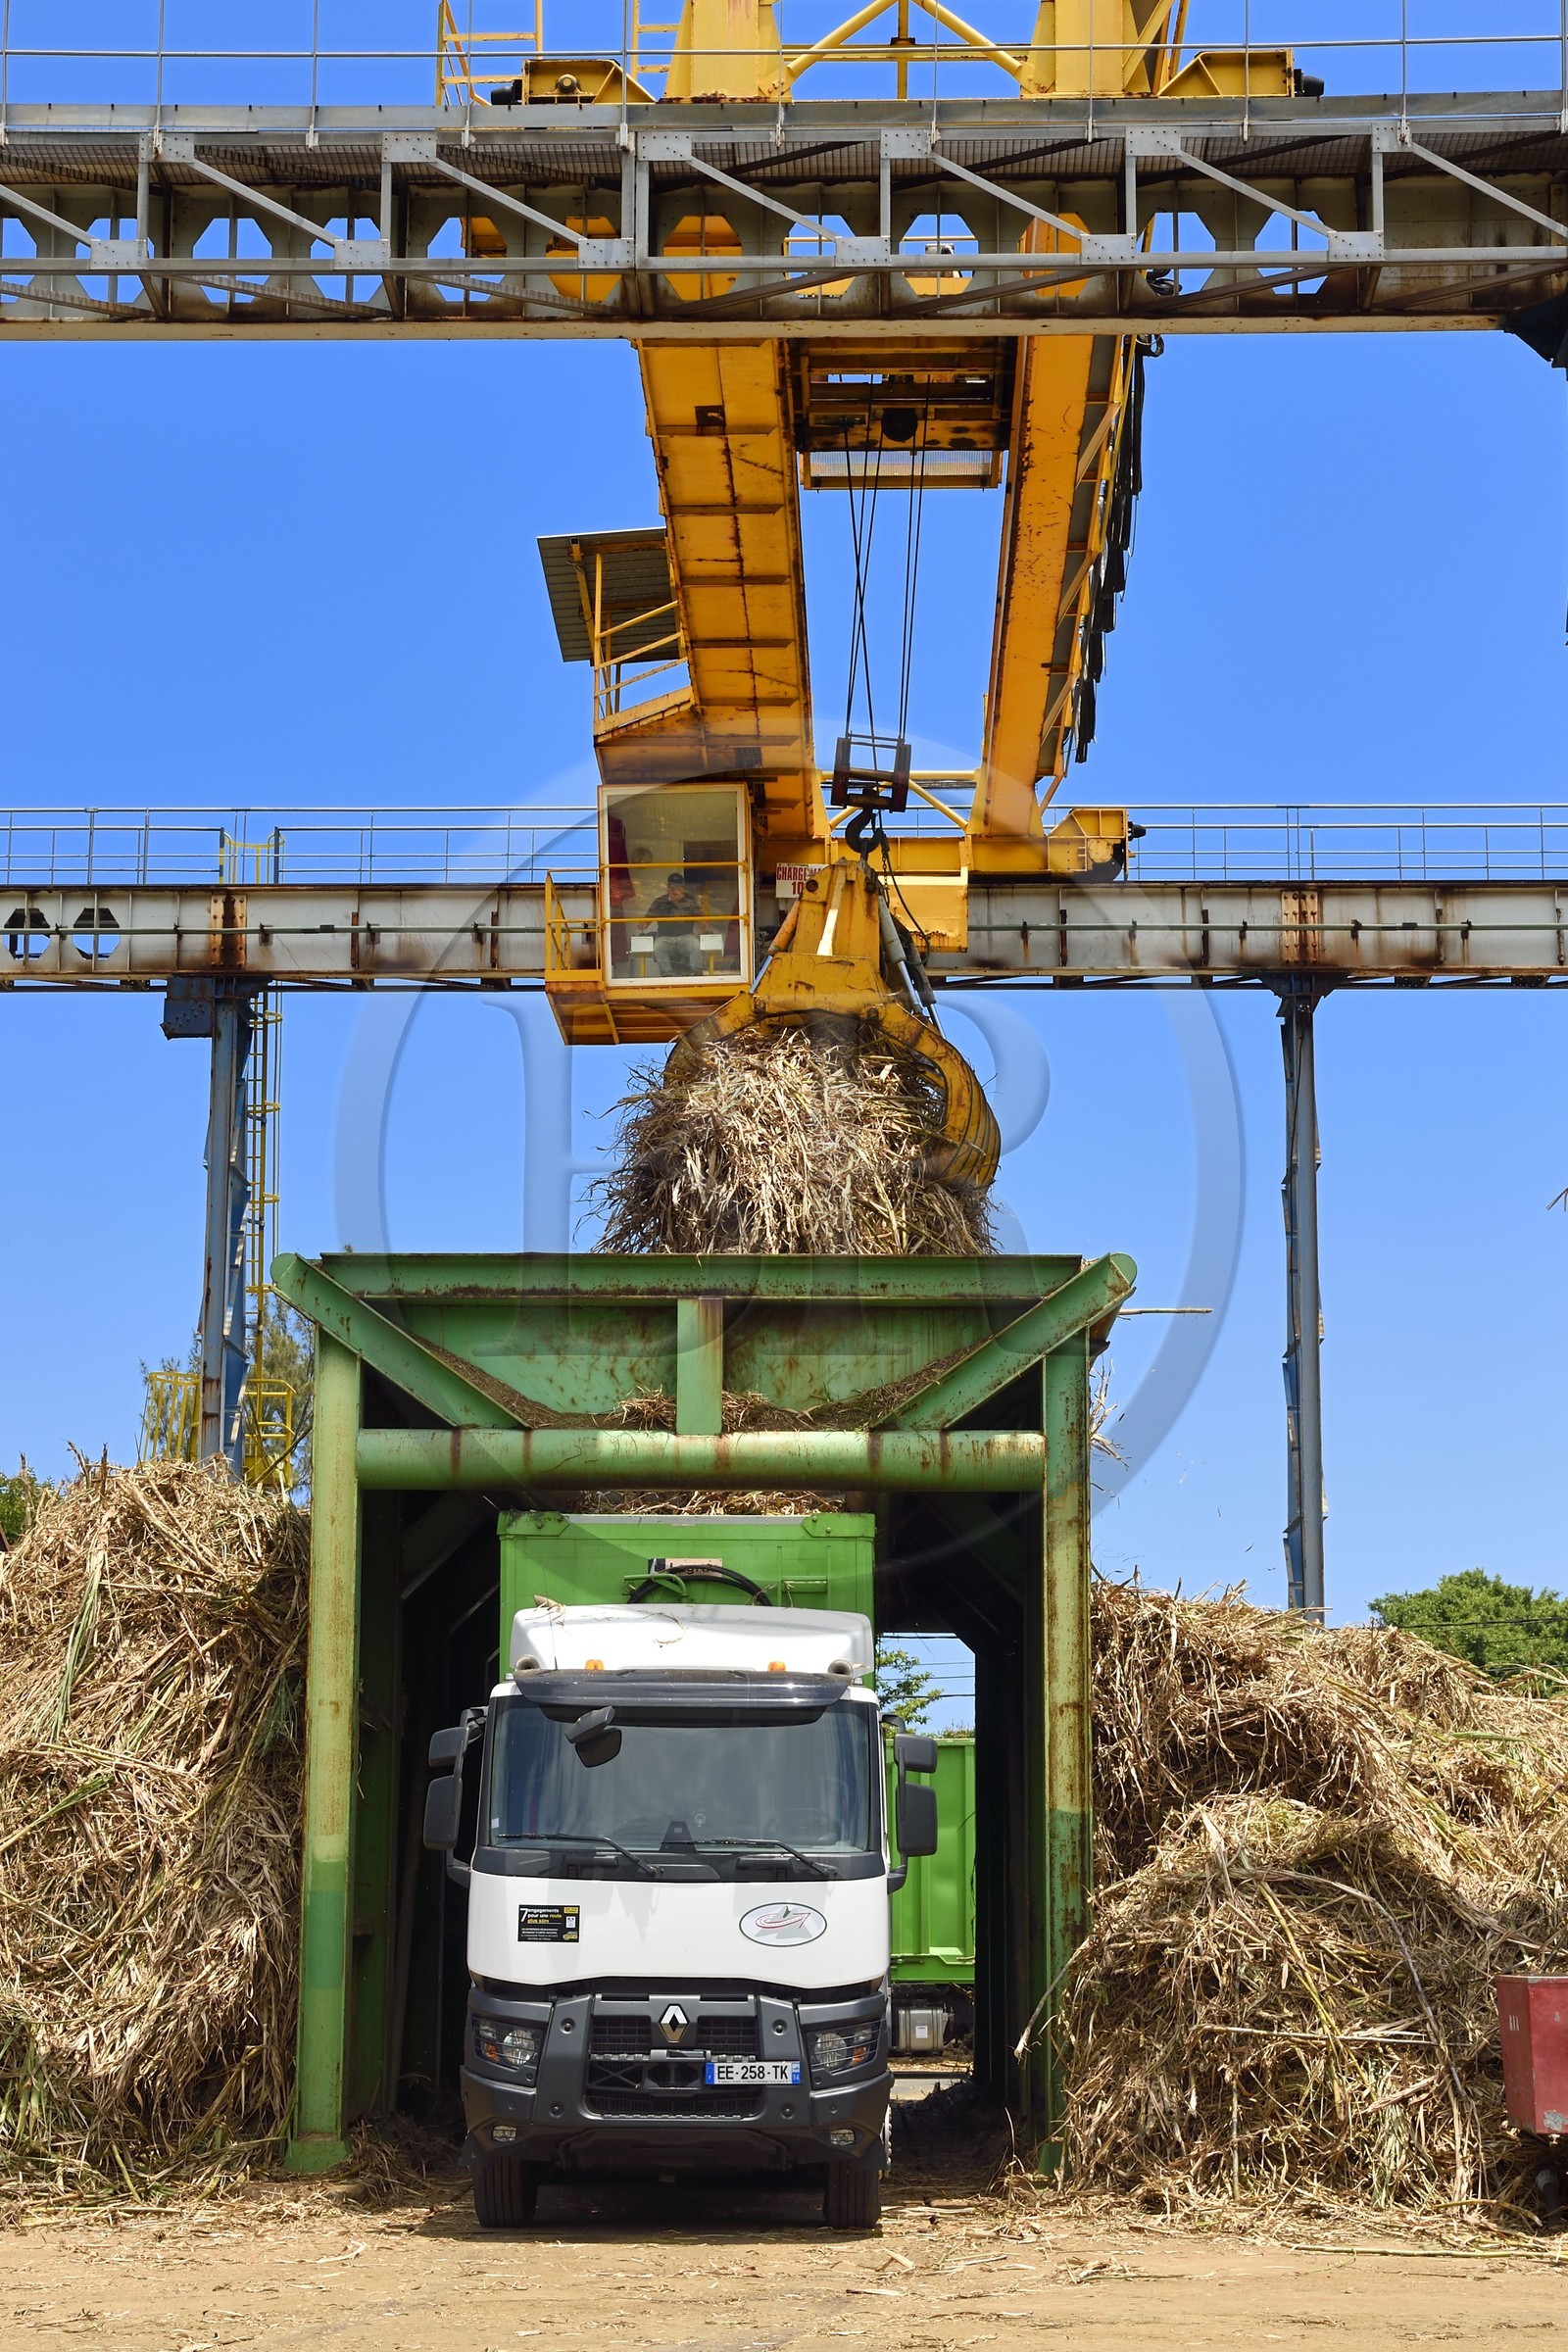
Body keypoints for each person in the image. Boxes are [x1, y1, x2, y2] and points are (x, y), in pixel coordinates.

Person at [643, 870, 700, 976]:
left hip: (686, 937)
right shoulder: (660, 901)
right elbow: (644, 923)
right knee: (658, 946)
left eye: (679, 887)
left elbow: (702, 921)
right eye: (673, 887)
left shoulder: (690, 901)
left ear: (683, 888)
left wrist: (703, 923)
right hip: (665, 938)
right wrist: (643, 924)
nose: (675, 890)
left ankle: (696, 973)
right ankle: (667, 974)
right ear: (667, 887)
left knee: (695, 944)